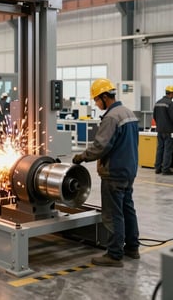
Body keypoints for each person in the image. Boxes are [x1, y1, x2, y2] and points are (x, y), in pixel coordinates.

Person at [72, 78, 140, 268]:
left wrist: (81, 157)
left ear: (104, 97)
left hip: (114, 172)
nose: (96, 104)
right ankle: (132, 248)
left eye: (96, 100)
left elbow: (100, 146)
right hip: (129, 170)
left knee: (112, 213)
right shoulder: (128, 113)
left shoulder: (111, 117)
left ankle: (114, 254)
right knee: (128, 209)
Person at [153, 85, 173, 175]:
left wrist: (159, 125)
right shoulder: (170, 103)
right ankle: (165, 169)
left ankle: (157, 168)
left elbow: (154, 116)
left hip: (159, 130)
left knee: (160, 148)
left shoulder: (157, 102)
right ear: (171, 93)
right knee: (167, 149)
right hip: (168, 130)